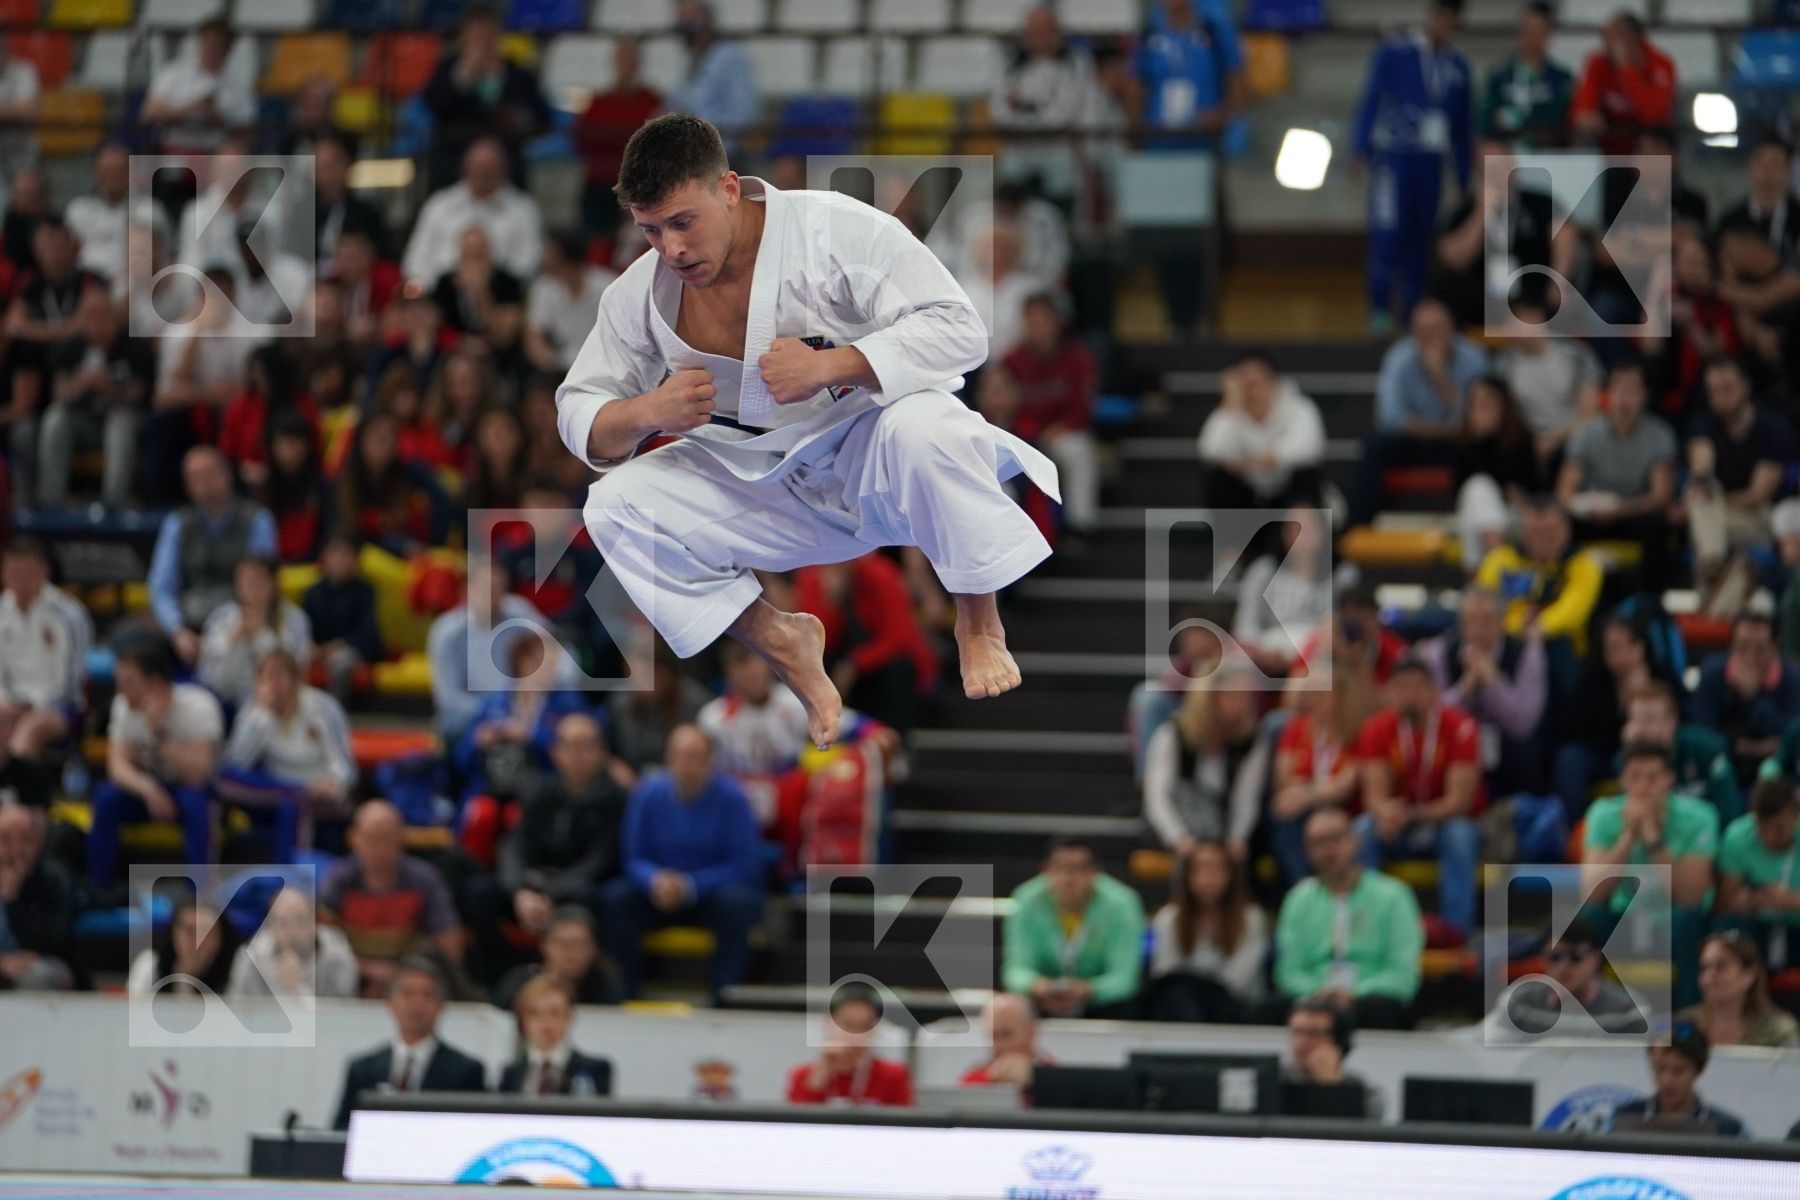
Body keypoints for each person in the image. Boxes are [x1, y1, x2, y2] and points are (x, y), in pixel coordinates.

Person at [558, 113, 1060, 752]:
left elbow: (959, 329)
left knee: (932, 427)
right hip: (762, 487)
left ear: (729, 189)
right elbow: (578, 414)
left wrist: (833, 364)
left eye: (683, 222)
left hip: (875, 460)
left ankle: (979, 620)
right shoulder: (641, 294)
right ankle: (781, 639)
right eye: (651, 230)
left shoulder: (834, 230)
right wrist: (648, 411)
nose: (672, 248)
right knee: (614, 505)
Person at [598, 726, 765, 1001]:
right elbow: (633, 857)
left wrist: (689, 885)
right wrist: (654, 879)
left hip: (709, 896)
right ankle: (625, 993)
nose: (687, 764)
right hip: (657, 893)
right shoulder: (647, 794)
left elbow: (743, 864)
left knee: (740, 903)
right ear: (668, 758)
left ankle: (725, 996)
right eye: (680, 756)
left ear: (710, 760)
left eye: (695, 757)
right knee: (615, 899)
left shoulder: (733, 799)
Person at [1351, 0, 1473, 331]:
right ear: (1432, 16)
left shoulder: (1458, 67)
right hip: (1393, 159)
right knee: (1387, 231)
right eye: (1440, 16)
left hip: (1430, 163)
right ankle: (1378, 308)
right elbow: (1371, 97)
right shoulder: (1396, 52)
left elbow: (1462, 127)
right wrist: (1358, 146)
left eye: (1451, 20)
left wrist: (1463, 173)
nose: (1444, 24)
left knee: (1420, 239)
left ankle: (1411, 313)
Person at [1354, 657, 1483, 939]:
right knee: (1363, 829)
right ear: (1389, 691)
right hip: (1397, 826)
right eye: (1401, 687)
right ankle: (1366, 930)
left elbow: (1459, 802)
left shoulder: (1461, 726)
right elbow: (1374, 796)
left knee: (1460, 833)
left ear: (1433, 690)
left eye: (1416, 686)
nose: (1409, 694)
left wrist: (1410, 815)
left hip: (1441, 824)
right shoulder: (1376, 728)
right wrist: (1386, 812)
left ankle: (1456, 933)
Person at [1582, 741, 1718, 1008]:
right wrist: (1628, 837)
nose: (1643, 787)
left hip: (1675, 922)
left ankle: (1690, 1016)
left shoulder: (1699, 816)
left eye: (1653, 778)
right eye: (1635, 778)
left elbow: (1690, 897)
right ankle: (1586, 1016)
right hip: (1626, 919)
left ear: (1669, 779)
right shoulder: (1603, 813)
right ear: (1623, 780)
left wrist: (1654, 840)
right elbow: (1592, 893)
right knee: (1588, 918)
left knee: (1686, 920)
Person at [89, 637, 223, 889]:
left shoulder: (199, 706)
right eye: (119, 682)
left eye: (129, 683)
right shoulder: (123, 705)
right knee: (105, 797)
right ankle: (99, 888)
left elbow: (199, 773)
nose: (121, 691)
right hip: (149, 788)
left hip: (189, 788)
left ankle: (202, 894)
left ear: (156, 685)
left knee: (198, 804)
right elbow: (117, 766)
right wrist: (148, 789)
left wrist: (159, 734)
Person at [1273, 807, 1424, 1030]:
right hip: (1313, 999)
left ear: (1355, 841)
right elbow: (1288, 972)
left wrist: (1354, 993)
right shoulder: (1298, 899)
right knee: (1267, 1009)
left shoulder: (1393, 895)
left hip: (1369, 1000)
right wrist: (1318, 993)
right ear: (1306, 851)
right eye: (1318, 842)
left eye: (1335, 838)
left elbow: (1403, 974)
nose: (1328, 849)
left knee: (1383, 1008)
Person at [1353, 299, 1488, 526]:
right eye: (1424, 331)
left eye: (1437, 329)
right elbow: (1390, 417)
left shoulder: (1473, 357)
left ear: (1451, 329)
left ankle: (1475, 523)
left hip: (1458, 443)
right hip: (1415, 442)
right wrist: (1443, 429)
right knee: (1374, 441)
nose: (1431, 337)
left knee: (1481, 445)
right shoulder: (1399, 357)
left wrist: (1439, 378)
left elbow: (1479, 415)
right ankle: (1358, 525)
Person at [220, 649, 356, 862]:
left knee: (292, 807)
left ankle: (291, 875)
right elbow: (238, 764)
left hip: (320, 794)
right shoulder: (254, 712)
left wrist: (332, 783)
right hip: (275, 792)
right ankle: (295, 793)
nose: (275, 685)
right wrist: (263, 716)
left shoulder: (322, 707)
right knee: (223, 778)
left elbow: (344, 765)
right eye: (267, 677)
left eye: (280, 676)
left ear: (296, 679)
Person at [318, 801, 464, 997]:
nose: (380, 849)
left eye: (387, 838)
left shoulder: (425, 879)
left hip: (412, 985)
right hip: (351, 982)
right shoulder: (338, 879)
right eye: (372, 839)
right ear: (354, 838)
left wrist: (403, 975)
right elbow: (322, 942)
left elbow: (449, 944)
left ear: (402, 837)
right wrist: (367, 970)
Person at [1557, 359, 1679, 592]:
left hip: (1633, 512)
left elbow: (1661, 496)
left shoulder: (1660, 435)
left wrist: (1619, 508)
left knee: (1659, 524)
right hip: (1592, 514)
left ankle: (1649, 596)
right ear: (1608, 394)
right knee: (1558, 519)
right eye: (1618, 389)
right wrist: (1586, 505)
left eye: (1632, 391)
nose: (1624, 398)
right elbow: (1564, 492)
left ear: (1644, 396)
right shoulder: (1586, 434)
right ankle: (1561, 588)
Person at [147, 447, 278, 661]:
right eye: (194, 476)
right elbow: (161, 588)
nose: (202, 482)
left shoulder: (257, 520)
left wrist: (240, 627)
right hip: (190, 621)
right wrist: (177, 630)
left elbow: (262, 581)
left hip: (240, 618)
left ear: (227, 475)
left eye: (208, 473)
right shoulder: (177, 524)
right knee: (136, 641)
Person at [791, 554, 938, 738]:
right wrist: (832, 601)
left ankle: (896, 741)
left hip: (879, 664)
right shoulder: (811, 578)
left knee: (899, 668)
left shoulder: (881, 574)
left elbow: (899, 635)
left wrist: (855, 663)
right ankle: (827, 738)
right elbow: (817, 639)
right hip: (839, 659)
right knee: (814, 667)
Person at [332, 957, 488, 1129]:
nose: (417, 1004)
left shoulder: (466, 1072)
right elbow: (342, 1130)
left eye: (427, 995)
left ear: (441, 1005)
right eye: (407, 994)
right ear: (390, 1003)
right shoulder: (362, 1069)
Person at [1683, 356, 1792, 600]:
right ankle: (1714, 577)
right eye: (1714, 391)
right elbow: (1701, 469)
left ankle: (1710, 572)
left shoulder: (1772, 429)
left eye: (1727, 388)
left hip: (1759, 519)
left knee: (1700, 515)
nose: (1720, 397)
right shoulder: (1704, 424)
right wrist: (1702, 480)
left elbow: (1757, 495)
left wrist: (1710, 501)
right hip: (1716, 520)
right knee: (1700, 504)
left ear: (1745, 386)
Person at [1417, 587, 1547, 793]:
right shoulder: (1439, 651)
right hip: (1454, 745)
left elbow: (1523, 725)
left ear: (1502, 622)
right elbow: (1432, 715)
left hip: (1508, 749)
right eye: (1469, 621)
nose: (1477, 630)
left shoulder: (1527, 653)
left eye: (1486, 621)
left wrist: (1493, 681)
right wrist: (1466, 686)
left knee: (1525, 752)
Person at [1002, 837, 1146, 1019]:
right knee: (1013, 1005)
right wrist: (1038, 986)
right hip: (1042, 1003)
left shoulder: (1122, 904)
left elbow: (1125, 978)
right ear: (1046, 870)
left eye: (1079, 869)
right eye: (1060, 868)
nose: (1068, 878)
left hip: (1103, 1006)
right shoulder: (1026, 900)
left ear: (1095, 873)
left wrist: (1089, 990)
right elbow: (1015, 971)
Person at [38, 283, 152, 510]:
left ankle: (113, 504)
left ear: (115, 318)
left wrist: (108, 387)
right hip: (84, 426)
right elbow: (59, 394)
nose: (96, 322)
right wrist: (79, 384)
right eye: (89, 316)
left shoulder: (133, 345)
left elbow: (139, 395)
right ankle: (51, 502)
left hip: (125, 425)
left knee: (120, 421)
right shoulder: (71, 347)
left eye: (102, 315)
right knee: (55, 418)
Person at [1554, 614, 1672, 825]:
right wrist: (1622, 709)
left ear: (1639, 647)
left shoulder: (1661, 675)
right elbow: (1572, 728)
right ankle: (1571, 828)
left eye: (1620, 646)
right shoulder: (1592, 679)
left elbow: (1678, 719)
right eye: (1609, 649)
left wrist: (1643, 700)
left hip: (1651, 751)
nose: (1614, 655)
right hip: (1603, 753)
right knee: (1570, 759)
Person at [998, 293, 1100, 535]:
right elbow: (1001, 404)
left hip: (1061, 433)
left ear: (1057, 322)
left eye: (1042, 321)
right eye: (1031, 321)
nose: (1037, 327)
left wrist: (1062, 427)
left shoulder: (1077, 359)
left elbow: (1083, 407)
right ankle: (1010, 532)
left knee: (1078, 450)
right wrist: (1027, 431)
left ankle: (1080, 526)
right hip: (1020, 434)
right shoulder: (1012, 360)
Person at [421, 4, 550, 190]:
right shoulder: (446, 69)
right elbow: (435, 104)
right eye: (477, 32)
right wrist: (465, 75)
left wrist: (520, 120)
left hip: (504, 150)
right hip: (455, 150)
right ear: (464, 34)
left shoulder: (518, 75)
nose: (483, 39)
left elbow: (541, 117)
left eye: (489, 32)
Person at [0, 537, 90, 797]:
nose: (20, 581)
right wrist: (7, 703)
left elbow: (70, 683)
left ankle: (16, 796)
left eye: (26, 573)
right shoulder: (2, 613)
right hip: (9, 704)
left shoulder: (69, 615)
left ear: (44, 570)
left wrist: (29, 705)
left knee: (30, 728)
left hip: (60, 708)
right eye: (13, 573)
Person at [1141, 673, 1263, 860]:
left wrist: (1237, 838)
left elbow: (1246, 800)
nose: (1241, 703)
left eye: (1246, 696)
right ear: (1208, 698)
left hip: (1222, 833)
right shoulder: (1172, 735)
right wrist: (1179, 839)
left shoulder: (1250, 743)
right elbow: (1157, 798)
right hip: (1178, 831)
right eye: (1232, 695)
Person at [1145, 840, 1269, 1022]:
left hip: (1236, 1010)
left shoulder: (1251, 919)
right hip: (1182, 1009)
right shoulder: (1168, 918)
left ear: (1231, 875)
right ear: (1186, 875)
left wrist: (1204, 995)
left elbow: (1238, 981)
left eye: (1217, 868)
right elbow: (1165, 973)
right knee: (1175, 996)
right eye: (1200, 868)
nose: (1208, 877)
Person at [426, 559, 547, 743]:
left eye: (498, 588)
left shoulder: (520, 613)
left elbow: (558, 652)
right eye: (485, 588)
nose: (491, 594)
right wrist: (497, 717)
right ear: (467, 590)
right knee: (456, 726)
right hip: (469, 717)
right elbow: (450, 700)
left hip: (518, 713)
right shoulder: (447, 632)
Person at [1473, 496, 1605, 661]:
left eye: (1549, 531)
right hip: (1504, 641)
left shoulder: (1583, 564)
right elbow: (1482, 605)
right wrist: (1518, 626)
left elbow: (1573, 609)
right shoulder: (1501, 560)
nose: (1541, 539)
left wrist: (1541, 627)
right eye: (1534, 532)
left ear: (1565, 530)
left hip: (1558, 646)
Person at [989, 8, 1098, 204]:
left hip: (1058, 154)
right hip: (1019, 153)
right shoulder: (1010, 66)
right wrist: (1035, 117)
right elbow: (1000, 112)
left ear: (1058, 33)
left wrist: (1025, 114)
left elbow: (1063, 115)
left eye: (1046, 31)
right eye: (1034, 31)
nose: (1040, 37)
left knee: (1059, 201)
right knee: (1012, 199)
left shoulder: (1076, 64)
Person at [402, 138, 544, 288]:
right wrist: (436, 290)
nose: (483, 173)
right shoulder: (439, 205)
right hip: (441, 292)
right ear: (465, 168)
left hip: (502, 293)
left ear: (504, 169)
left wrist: (491, 282)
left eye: (489, 167)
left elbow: (529, 264)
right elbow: (415, 261)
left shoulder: (524, 209)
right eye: (478, 167)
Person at [1271, 670, 1370, 884]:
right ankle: (1304, 887)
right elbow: (1284, 778)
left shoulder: (1358, 732)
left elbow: (1345, 785)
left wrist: (1307, 792)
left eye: (1320, 694)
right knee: (1284, 819)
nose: (1312, 701)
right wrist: (1319, 790)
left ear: (1340, 697)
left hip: (1344, 809)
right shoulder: (1297, 727)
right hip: (1304, 808)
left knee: (1359, 830)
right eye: (1310, 694)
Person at [1197, 352, 1325, 511]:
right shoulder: (1231, 411)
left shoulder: (1298, 407)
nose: (1253, 393)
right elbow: (1210, 450)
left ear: (1273, 382)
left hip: (1287, 493)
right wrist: (1231, 406)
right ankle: (1232, 528)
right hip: (1246, 495)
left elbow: (1308, 448)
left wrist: (1254, 463)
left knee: (1306, 475)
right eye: (1246, 386)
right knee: (1216, 478)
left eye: (1257, 383)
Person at [1486, 915, 1645, 1040]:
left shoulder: (1628, 1010)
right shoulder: (1518, 1003)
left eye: (1576, 956)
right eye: (1555, 956)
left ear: (1596, 959)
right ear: (1543, 959)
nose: (1564, 966)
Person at [1691, 613, 1800, 789]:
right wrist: (1741, 746)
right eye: (1742, 646)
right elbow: (1703, 732)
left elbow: (1792, 735)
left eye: (1759, 648)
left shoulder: (1793, 679)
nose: (1750, 655)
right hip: (1725, 768)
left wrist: (1753, 699)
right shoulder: (1713, 674)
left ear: (1774, 647)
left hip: (1782, 774)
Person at [1230, 507, 1335, 678]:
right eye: (1293, 528)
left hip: (1313, 658)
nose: (1301, 537)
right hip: (1263, 654)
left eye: (1308, 528)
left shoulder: (1339, 577)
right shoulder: (1263, 571)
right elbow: (1246, 624)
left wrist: (1296, 656)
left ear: (1323, 532)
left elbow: (1331, 627)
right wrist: (1262, 652)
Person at [1618, 680, 1741, 826]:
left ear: (1672, 721)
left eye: (1649, 719)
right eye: (1635, 720)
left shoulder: (1706, 751)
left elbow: (1729, 813)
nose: (1641, 729)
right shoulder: (1623, 762)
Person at [575, 39, 661, 243]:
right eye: (622, 60)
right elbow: (581, 139)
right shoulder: (599, 103)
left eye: (630, 60)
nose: (626, 66)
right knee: (597, 239)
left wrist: (609, 136)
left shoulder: (652, 101)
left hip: (641, 185)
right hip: (602, 184)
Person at [197, 557, 314, 707]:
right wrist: (232, 640)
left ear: (273, 582)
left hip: (277, 701)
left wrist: (262, 635)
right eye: (244, 580)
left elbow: (297, 669)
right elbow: (206, 674)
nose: (250, 587)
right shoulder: (221, 617)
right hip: (226, 701)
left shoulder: (294, 619)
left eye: (257, 580)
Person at [1452, 377, 1540, 570]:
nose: (1480, 410)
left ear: (1503, 405)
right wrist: (1480, 440)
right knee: (1478, 489)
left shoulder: (1522, 439)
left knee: (1480, 494)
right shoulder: (1464, 443)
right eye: (1475, 404)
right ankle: (1500, 566)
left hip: (1516, 515)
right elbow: (1460, 487)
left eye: (1487, 404)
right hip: (1475, 515)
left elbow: (1526, 486)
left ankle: (1490, 575)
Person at [1604, 1024, 1745, 1138]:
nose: (1667, 1081)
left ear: (1699, 1070)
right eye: (1659, 1069)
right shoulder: (1624, 1119)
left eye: (1678, 1071)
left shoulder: (1726, 1129)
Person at [226, 885, 360, 1000]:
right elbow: (237, 1008)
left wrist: (297, 989)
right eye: (282, 923)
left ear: (315, 922)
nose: (292, 931)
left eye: (300, 921)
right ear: (269, 926)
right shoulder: (252, 955)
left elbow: (343, 1015)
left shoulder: (338, 957)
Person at [787, 986, 913, 1106]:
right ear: (829, 1024)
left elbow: (904, 1118)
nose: (854, 1035)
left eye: (864, 1027)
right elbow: (795, 1118)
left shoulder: (893, 1075)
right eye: (847, 1025)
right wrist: (822, 1072)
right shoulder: (802, 1076)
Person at [1570, 13, 1675, 156]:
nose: (1607, 43)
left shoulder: (1660, 64)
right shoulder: (1598, 63)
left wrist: (1626, 70)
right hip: (1610, 139)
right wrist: (1588, 114)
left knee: (1653, 143)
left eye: (1615, 37)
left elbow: (1653, 115)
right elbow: (1584, 104)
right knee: (1583, 135)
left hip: (1647, 139)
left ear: (1634, 39)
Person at [1676, 931, 1800, 1049]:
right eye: (1704, 968)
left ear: (1749, 974)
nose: (1710, 976)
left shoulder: (1779, 1031)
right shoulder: (1680, 1025)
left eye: (1721, 966)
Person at [489, 905, 624, 1012]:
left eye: (579, 943)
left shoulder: (607, 985)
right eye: (562, 943)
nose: (570, 951)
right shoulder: (519, 985)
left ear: (593, 947)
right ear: (544, 945)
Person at [0, 805, 76, 990]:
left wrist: (12, 899)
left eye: (25, 840)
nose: (16, 849)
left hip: (36, 965)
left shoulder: (53, 881)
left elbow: (49, 944)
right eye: (5, 839)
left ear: (39, 843)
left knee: (41, 975)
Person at [302, 534, 384, 705]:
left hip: (350, 650)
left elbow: (370, 636)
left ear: (355, 560)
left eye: (345, 554)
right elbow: (305, 629)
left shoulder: (364, 592)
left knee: (341, 662)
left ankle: (335, 710)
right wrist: (312, 646)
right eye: (334, 553)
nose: (339, 560)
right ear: (324, 558)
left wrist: (341, 644)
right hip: (319, 652)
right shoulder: (313, 593)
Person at [666, 1, 758, 152]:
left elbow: (744, 114)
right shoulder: (694, 61)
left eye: (691, 20)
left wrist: (699, 129)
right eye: (682, 22)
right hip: (691, 150)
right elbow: (676, 104)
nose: (686, 28)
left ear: (708, 21)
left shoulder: (731, 57)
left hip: (724, 152)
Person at [499, 975, 613, 1096]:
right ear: (523, 1020)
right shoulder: (511, 1073)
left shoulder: (594, 1070)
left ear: (569, 1016)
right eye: (535, 1013)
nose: (546, 1022)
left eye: (554, 1013)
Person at [1717, 778, 1800, 940]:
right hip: (1757, 926)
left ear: (1796, 816)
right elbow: (1727, 901)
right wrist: (1755, 899)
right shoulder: (1738, 837)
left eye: (1779, 829)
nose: (1769, 837)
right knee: (1727, 925)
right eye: (1762, 828)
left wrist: (1787, 901)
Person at [526, 233, 618, 375]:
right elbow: (534, 336)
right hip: (561, 366)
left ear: (568, 261)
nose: (545, 259)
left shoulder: (608, 284)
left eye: (551, 255)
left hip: (606, 363)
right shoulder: (543, 287)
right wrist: (548, 361)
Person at [1480, 1, 1570, 146]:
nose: (1531, 36)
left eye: (1537, 30)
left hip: (1548, 155)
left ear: (1548, 34)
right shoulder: (1499, 76)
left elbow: (1561, 123)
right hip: (1506, 154)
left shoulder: (1561, 79)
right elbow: (1486, 121)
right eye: (1526, 29)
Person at [125, 895, 242, 998]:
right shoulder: (150, 962)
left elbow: (238, 1011)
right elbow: (135, 1009)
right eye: (190, 931)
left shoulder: (237, 966)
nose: (198, 941)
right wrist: (184, 977)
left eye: (207, 933)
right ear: (173, 933)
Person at [1284, 996, 1381, 1119]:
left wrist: (1331, 1085)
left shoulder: (1365, 1094)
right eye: (1296, 1032)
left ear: (1339, 1041)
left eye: (1314, 1033)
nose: (1301, 1042)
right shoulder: (1274, 1084)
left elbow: (1353, 1128)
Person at [959, 992, 1051, 1091]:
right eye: (994, 1035)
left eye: (1006, 1034)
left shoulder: (1054, 1076)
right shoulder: (973, 1080)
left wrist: (1035, 1079)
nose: (1000, 1045)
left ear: (1031, 1033)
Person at [0, 37, 40, 212]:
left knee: (26, 188)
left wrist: (16, 112)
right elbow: (19, 110)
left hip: (21, 153)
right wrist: (12, 111)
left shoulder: (23, 71)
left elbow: (28, 112)